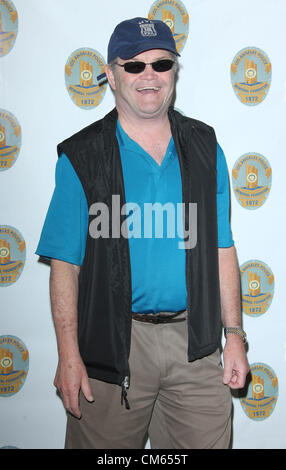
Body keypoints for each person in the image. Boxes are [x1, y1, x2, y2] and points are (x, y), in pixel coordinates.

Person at [36, 17, 249, 449]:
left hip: (197, 345)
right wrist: (68, 353)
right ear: (111, 76)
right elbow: (65, 266)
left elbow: (223, 249)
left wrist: (235, 335)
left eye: (161, 63)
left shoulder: (206, 148)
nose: (148, 75)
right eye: (133, 65)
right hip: (112, 348)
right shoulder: (81, 156)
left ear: (174, 71)